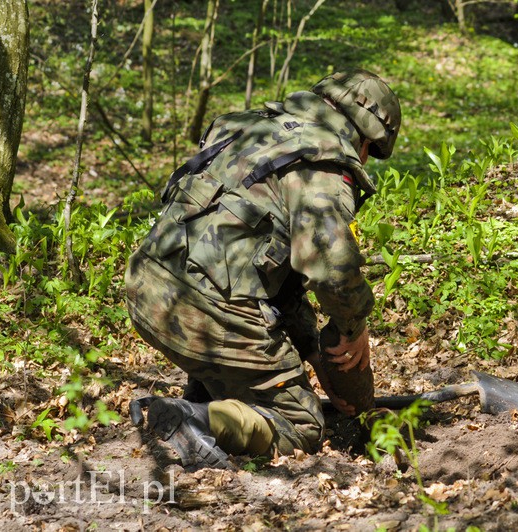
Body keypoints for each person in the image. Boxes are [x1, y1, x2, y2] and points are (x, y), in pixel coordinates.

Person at [124, 69, 401, 469]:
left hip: (145, 288)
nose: (364, 160)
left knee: (241, 321)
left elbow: (273, 279)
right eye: (370, 152)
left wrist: (314, 354)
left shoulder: (248, 129)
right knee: (302, 424)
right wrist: (352, 329)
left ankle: (206, 398)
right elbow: (334, 272)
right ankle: (197, 419)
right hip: (206, 311)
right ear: (366, 136)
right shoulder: (321, 164)